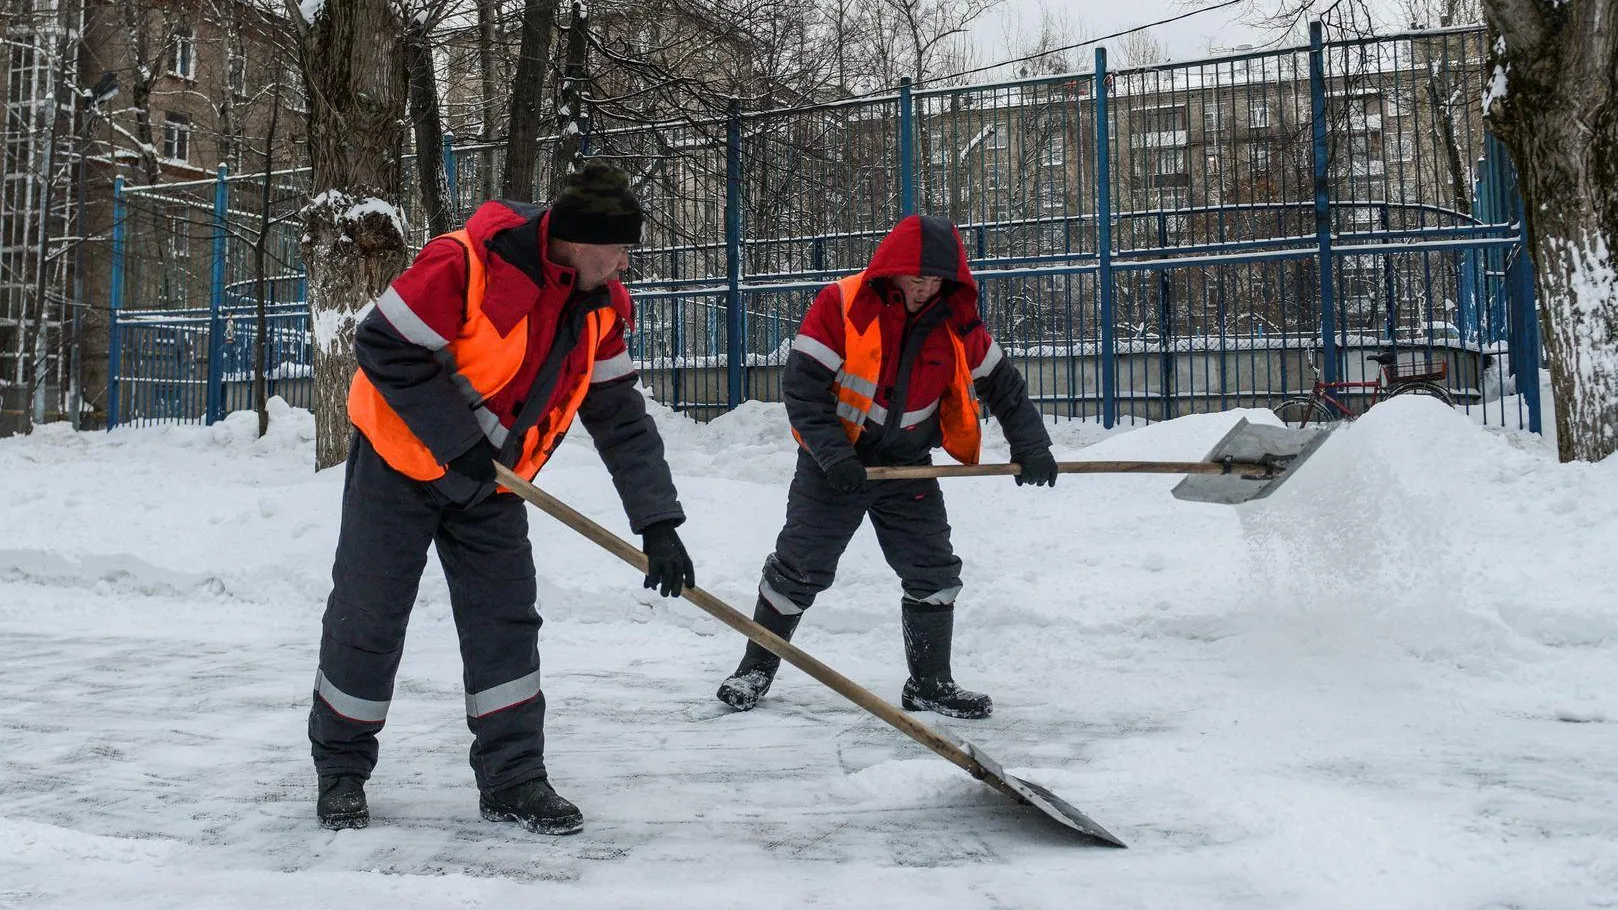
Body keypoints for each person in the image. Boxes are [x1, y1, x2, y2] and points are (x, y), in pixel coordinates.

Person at [309, 163, 695, 836]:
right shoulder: (463, 264)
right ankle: (341, 771)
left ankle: (514, 780)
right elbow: (381, 343)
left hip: (491, 485)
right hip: (399, 464)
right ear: (580, 240)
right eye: (621, 247)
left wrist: (657, 521)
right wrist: (456, 442)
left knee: (505, 625)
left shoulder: (601, 305)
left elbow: (621, 418)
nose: (627, 261)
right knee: (368, 618)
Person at [717, 214, 1058, 720]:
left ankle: (929, 684)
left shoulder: (958, 322)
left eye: (934, 281)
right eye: (915, 279)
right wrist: (835, 455)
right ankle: (754, 669)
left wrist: (1033, 446)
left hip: (908, 467)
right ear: (892, 271)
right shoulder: (843, 304)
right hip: (834, 464)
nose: (924, 290)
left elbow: (1003, 387)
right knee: (798, 569)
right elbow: (802, 387)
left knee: (934, 571)